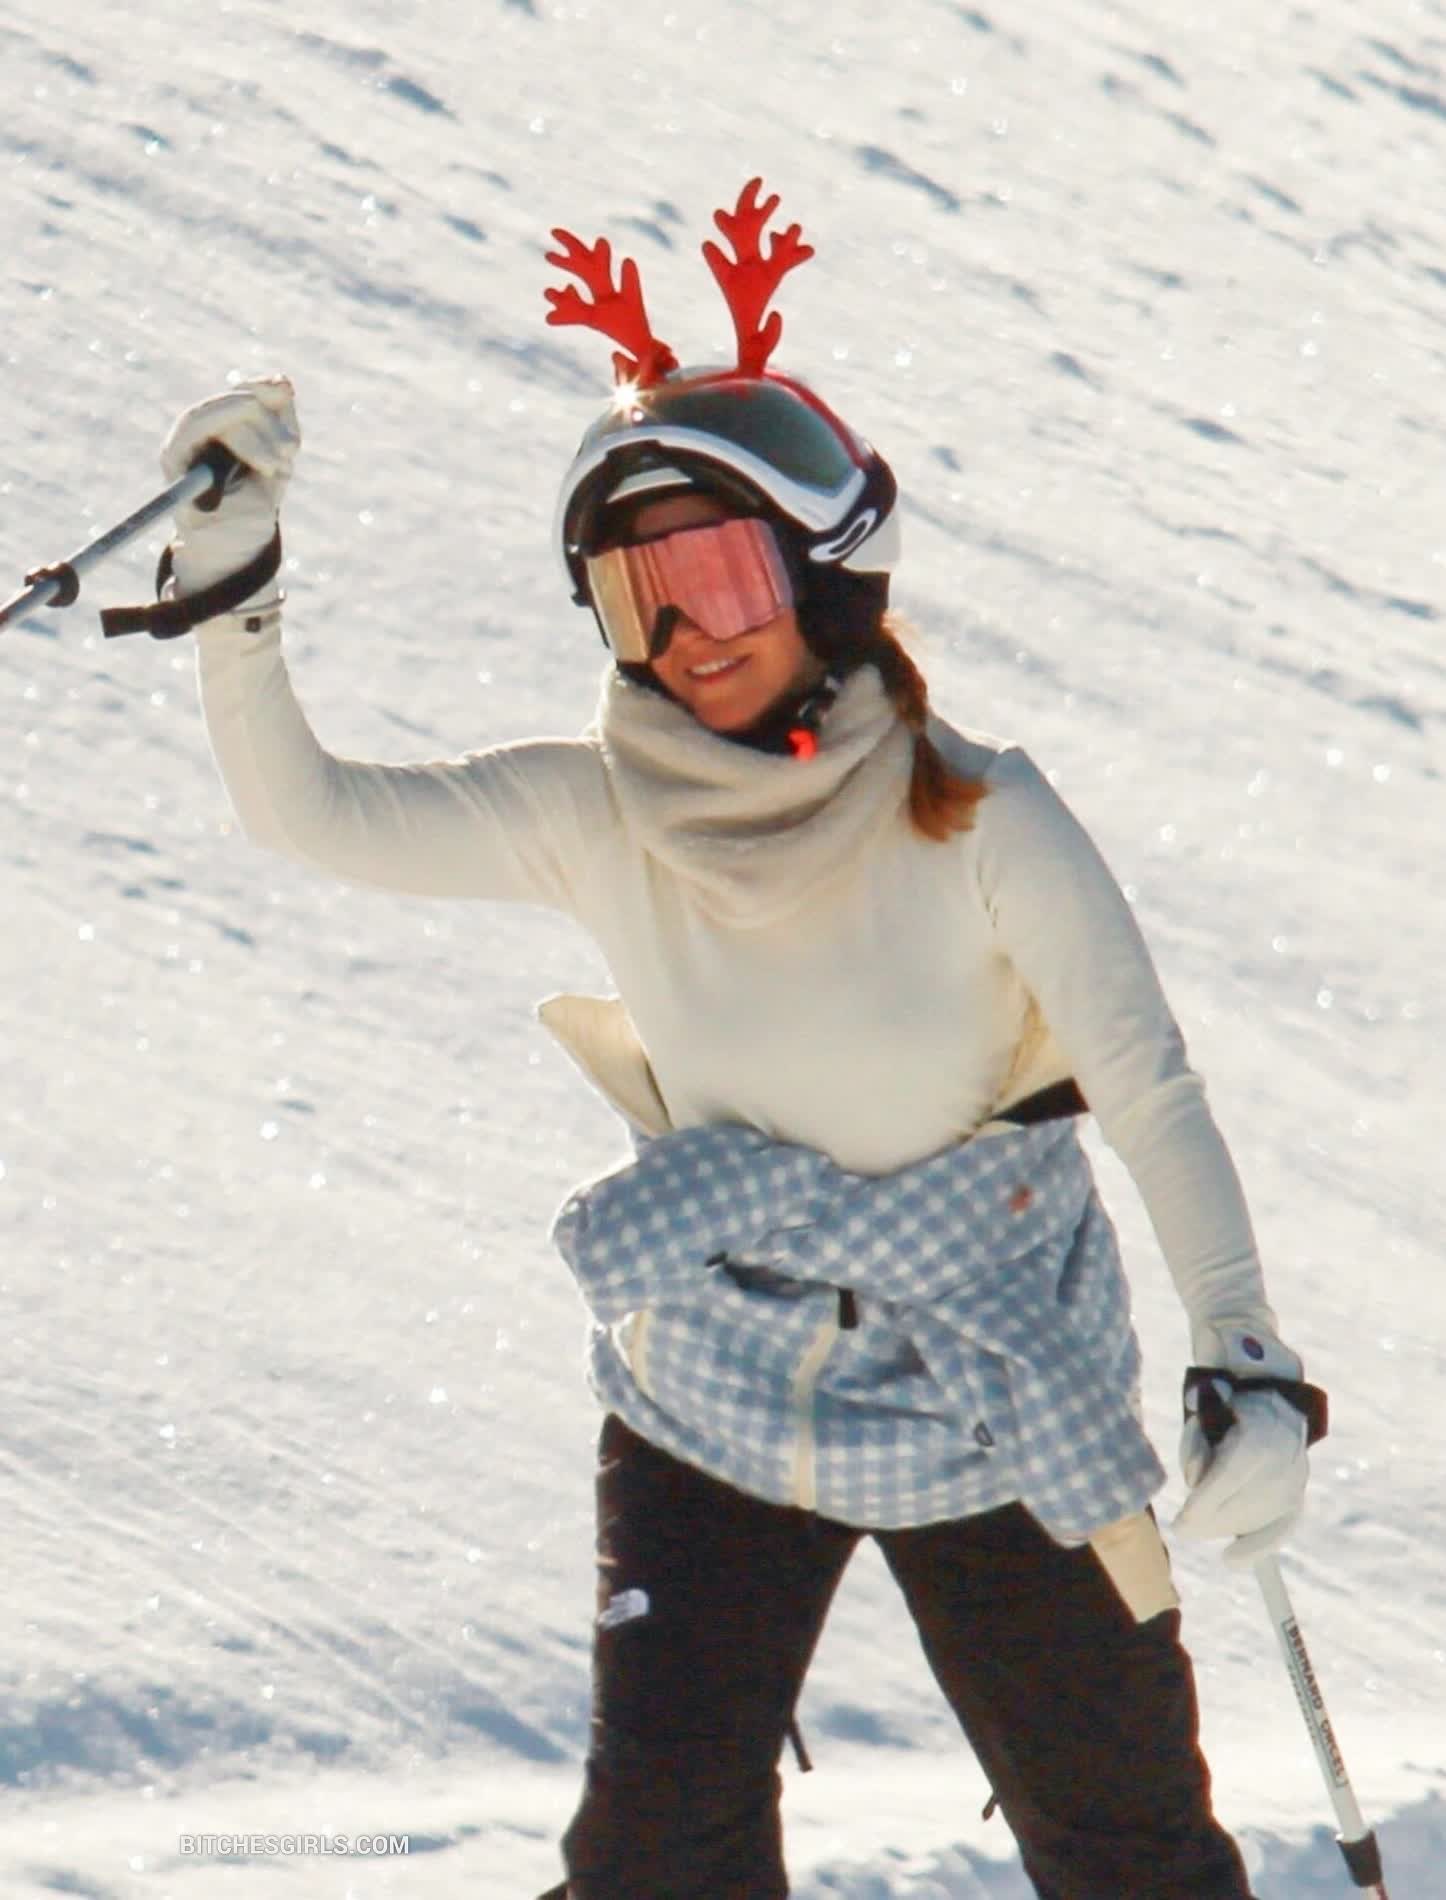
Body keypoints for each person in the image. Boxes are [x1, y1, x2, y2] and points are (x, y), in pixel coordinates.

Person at [160, 181, 1325, 1900]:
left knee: (1127, 1852)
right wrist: (233, 592)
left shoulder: (980, 815)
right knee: (653, 1856)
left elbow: (1148, 1088)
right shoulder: (597, 811)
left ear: (826, 575)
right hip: (715, 1379)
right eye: (637, 596)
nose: (688, 636)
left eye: (718, 574)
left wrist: (1242, 1356)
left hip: (989, 1376)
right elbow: (308, 815)